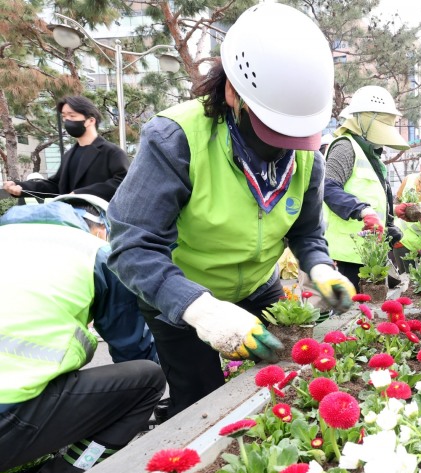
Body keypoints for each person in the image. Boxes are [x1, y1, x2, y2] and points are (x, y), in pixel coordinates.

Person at [107, 3, 355, 418]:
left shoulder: (307, 157)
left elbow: (307, 233)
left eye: (296, 135)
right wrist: (200, 310)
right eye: (273, 131)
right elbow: (132, 246)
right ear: (232, 93)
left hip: (259, 287)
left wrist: (321, 267)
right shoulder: (176, 139)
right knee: (202, 408)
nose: (284, 147)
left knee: (291, 378)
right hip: (179, 295)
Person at [0, 194, 164, 473]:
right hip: (7, 420)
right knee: (147, 380)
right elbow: (132, 349)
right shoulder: (96, 253)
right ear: (101, 227)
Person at [322, 85, 409, 290]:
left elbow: (373, 196)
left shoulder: (370, 155)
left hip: (370, 253)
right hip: (347, 257)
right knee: (351, 317)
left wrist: (389, 225)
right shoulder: (345, 146)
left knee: (370, 316)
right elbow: (328, 188)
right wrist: (362, 210)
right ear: (362, 120)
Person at [2, 95, 129, 203]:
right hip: (70, 220)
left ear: (90, 120)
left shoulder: (112, 152)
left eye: (72, 116)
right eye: (64, 117)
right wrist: (21, 187)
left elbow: (123, 183)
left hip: (102, 224)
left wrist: (81, 194)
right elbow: (55, 185)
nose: (67, 120)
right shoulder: (69, 155)